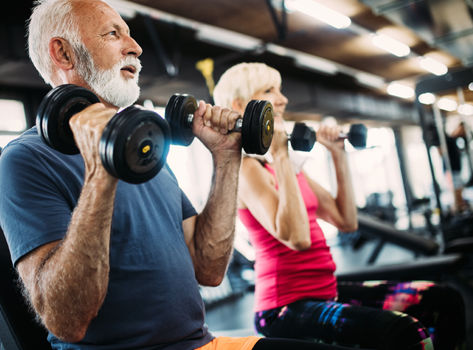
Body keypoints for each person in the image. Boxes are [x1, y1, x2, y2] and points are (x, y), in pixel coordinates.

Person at [0, 1, 366, 350]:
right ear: (63, 53)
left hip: (201, 342)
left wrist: (226, 157)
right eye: (113, 34)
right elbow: (66, 321)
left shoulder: (146, 151)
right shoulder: (24, 159)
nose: (136, 47)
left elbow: (208, 269)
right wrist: (101, 173)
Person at [213, 62, 466, 350]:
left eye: (280, 90)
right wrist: (281, 156)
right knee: (406, 333)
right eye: (270, 91)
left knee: (442, 299)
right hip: (284, 308)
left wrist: (337, 153)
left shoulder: (288, 166)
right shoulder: (247, 169)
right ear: (240, 104)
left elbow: (346, 221)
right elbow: (297, 238)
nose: (283, 99)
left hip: (325, 290)